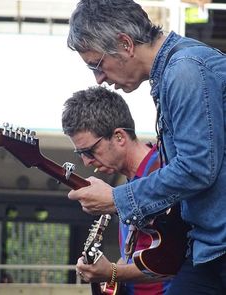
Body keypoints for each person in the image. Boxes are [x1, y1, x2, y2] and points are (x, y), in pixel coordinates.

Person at [66, 0, 226, 294]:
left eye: (97, 64)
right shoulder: (174, 73)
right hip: (207, 249)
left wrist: (118, 198)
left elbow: (197, 169)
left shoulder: (185, 72)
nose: (99, 79)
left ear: (125, 43)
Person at [62, 85, 171, 294]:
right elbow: (133, 254)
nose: (86, 161)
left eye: (90, 150)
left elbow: (174, 262)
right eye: (80, 153)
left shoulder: (164, 175)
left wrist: (111, 273)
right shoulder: (127, 188)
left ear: (119, 137)